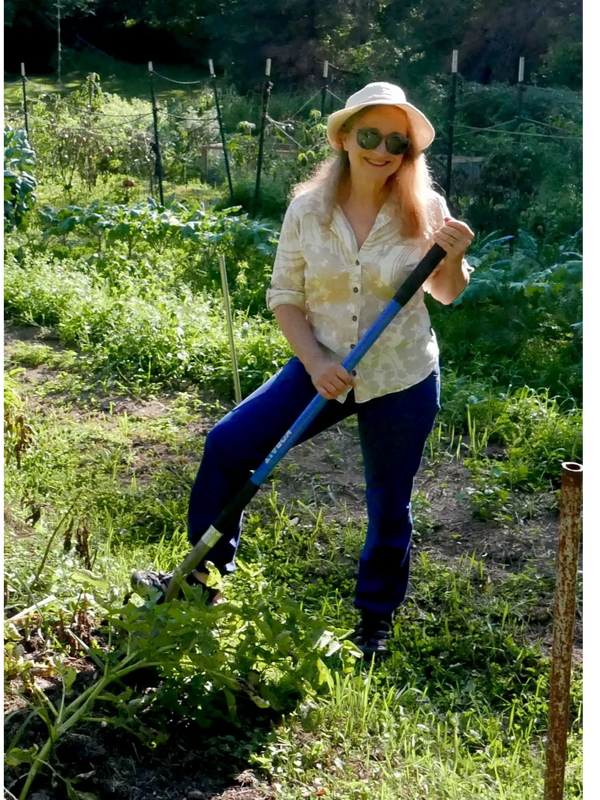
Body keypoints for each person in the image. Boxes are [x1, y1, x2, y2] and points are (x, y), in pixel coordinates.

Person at [133, 82, 474, 658]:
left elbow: (445, 294)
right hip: (323, 367)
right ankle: (200, 583)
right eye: (370, 135)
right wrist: (316, 362)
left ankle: (374, 623)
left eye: (398, 142)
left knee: (390, 501)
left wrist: (456, 256)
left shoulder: (428, 212)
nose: (383, 149)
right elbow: (285, 296)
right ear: (344, 137)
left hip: (401, 376)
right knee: (228, 445)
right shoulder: (307, 211)